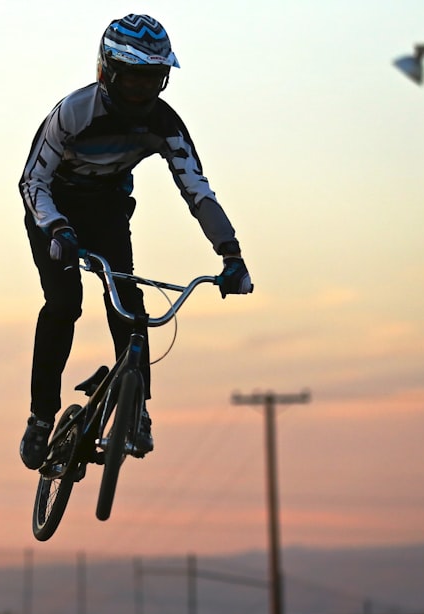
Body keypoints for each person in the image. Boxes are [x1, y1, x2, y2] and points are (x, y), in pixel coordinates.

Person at [18, 14, 253, 471]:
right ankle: (40, 418)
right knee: (65, 303)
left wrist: (231, 253)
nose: (142, 93)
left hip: (106, 210)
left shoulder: (167, 126)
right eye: (132, 81)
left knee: (127, 301)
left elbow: (198, 192)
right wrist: (56, 228)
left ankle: (137, 410)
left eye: (152, 81)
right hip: (54, 211)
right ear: (107, 73)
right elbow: (32, 181)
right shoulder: (73, 114)